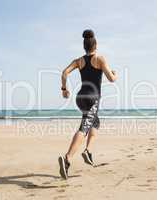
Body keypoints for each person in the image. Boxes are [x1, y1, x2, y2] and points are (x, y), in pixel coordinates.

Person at [58, 29, 117, 179]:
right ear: (95, 45)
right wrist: (115, 74)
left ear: (85, 46)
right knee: (84, 127)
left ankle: (88, 151)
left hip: (80, 97)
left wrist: (64, 89)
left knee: (95, 122)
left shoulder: (79, 61)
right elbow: (111, 79)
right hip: (92, 99)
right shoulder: (100, 59)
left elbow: (64, 73)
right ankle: (67, 159)